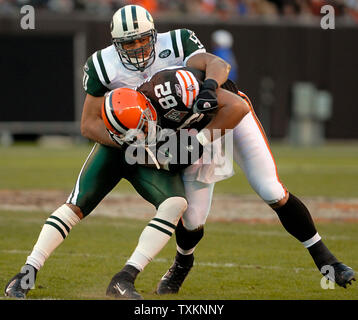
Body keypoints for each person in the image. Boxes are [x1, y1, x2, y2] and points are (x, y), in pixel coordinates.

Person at [4, 4, 234, 299]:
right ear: (116, 43)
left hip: (158, 147)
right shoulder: (102, 64)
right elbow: (88, 125)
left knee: (176, 204)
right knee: (76, 204)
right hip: (120, 145)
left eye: (142, 39)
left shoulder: (177, 42)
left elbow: (216, 65)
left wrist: (206, 94)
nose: (138, 47)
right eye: (129, 42)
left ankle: (124, 278)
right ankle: (26, 273)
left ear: (153, 33)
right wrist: (128, 143)